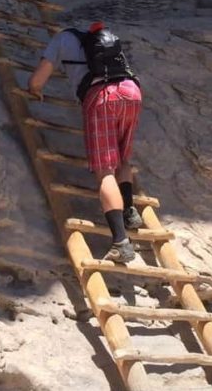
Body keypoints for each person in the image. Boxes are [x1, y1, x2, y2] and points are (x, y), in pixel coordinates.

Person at [28, 22, 143, 263]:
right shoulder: (104, 37)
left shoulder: (62, 39)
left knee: (105, 171)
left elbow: (38, 80)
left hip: (102, 97)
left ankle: (121, 243)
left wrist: (34, 89)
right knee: (122, 157)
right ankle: (129, 212)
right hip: (131, 90)